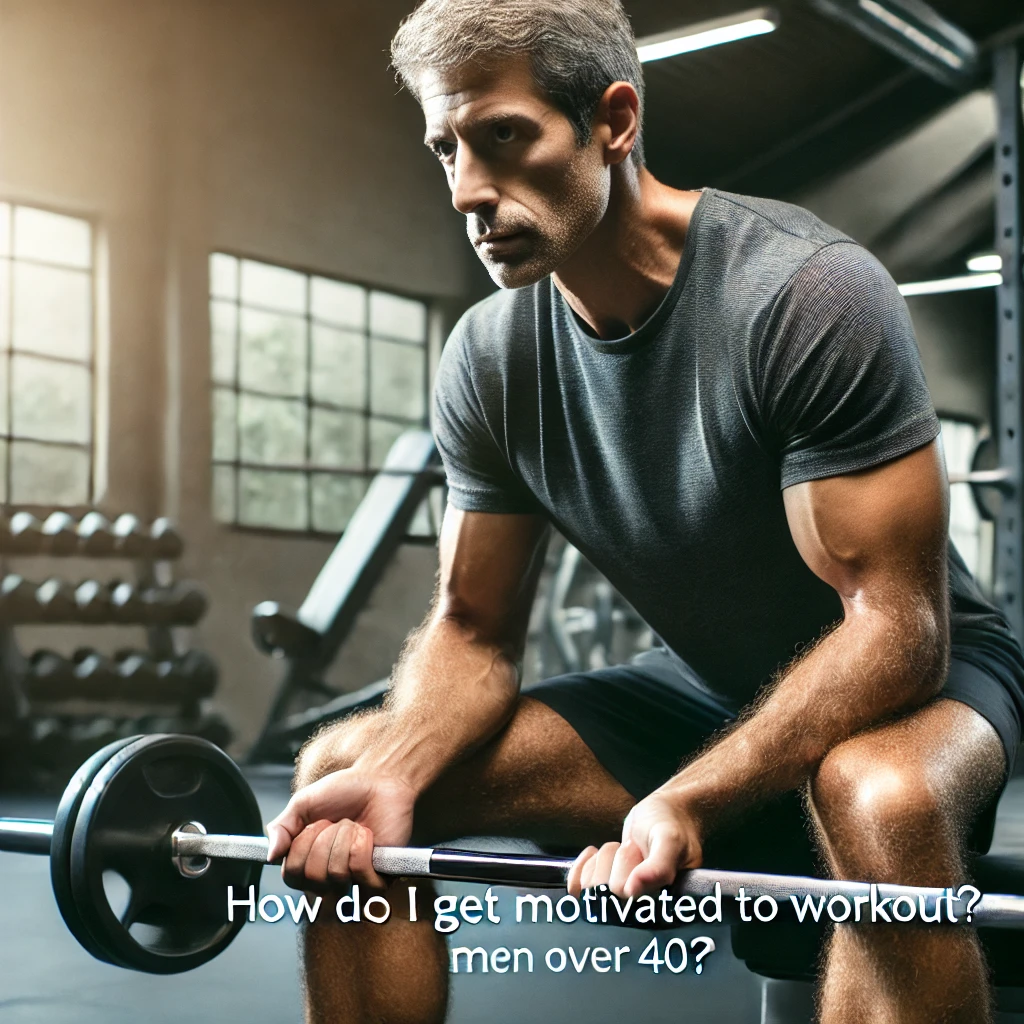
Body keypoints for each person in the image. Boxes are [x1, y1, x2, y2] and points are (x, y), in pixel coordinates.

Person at [265, 1, 1024, 1020]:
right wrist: (398, 765)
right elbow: (472, 626)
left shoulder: (803, 293)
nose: (466, 191)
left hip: (920, 676)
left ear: (612, 121)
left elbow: (896, 629)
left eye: (503, 139)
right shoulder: (492, 356)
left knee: (877, 795)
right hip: (704, 685)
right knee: (346, 772)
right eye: (445, 148)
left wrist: (692, 797)